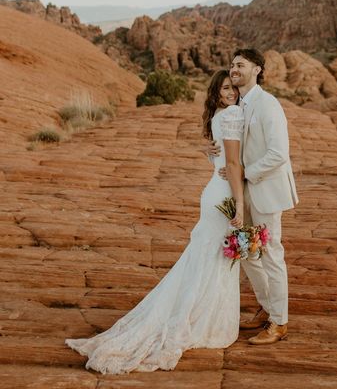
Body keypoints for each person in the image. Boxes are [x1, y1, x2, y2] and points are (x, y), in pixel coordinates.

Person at [66, 70, 245, 374]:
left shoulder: (218, 115)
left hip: (214, 189)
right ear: (216, 92)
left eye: (233, 88)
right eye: (225, 88)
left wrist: (214, 158)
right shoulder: (232, 114)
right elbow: (232, 162)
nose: (231, 92)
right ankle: (203, 320)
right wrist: (240, 203)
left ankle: (197, 313)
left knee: (207, 257)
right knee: (213, 257)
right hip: (223, 194)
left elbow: (219, 158)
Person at [208, 48, 298, 345]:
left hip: (266, 191)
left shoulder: (268, 105)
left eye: (241, 65)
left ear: (258, 69)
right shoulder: (239, 104)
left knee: (271, 253)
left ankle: (279, 322)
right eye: (232, 64)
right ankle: (267, 308)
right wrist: (216, 154)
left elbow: (278, 154)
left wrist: (245, 171)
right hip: (244, 191)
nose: (234, 69)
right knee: (245, 253)